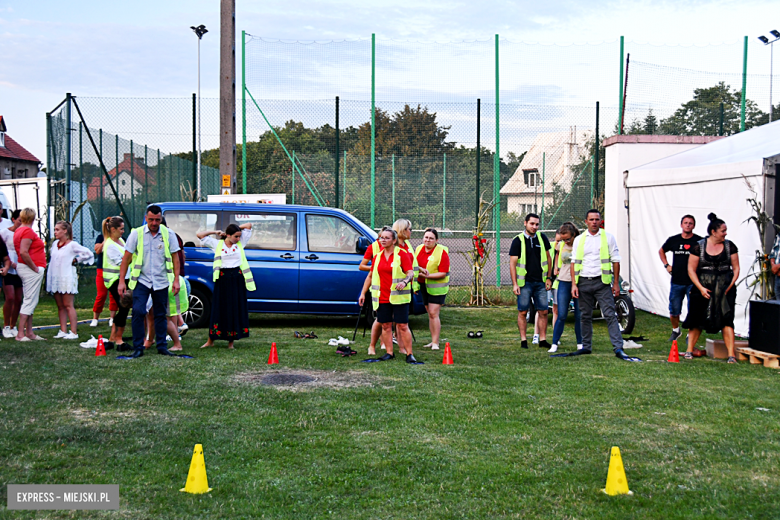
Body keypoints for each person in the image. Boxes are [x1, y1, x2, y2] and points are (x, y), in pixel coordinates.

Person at [570, 209, 635, 361]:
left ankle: (618, 348)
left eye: (597, 219)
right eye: (591, 219)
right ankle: (586, 346)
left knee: (610, 314)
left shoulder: (608, 238)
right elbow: (574, 263)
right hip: (583, 282)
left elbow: (616, 260)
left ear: (601, 221)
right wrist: (574, 284)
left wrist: (616, 283)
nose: (594, 222)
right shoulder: (579, 239)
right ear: (586, 222)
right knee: (585, 316)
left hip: (602, 282)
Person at [118, 205, 181, 358]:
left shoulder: (168, 234)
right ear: (146, 218)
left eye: (157, 220)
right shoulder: (136, 234)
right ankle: (138, 347)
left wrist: (176, 280)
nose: (154, 223)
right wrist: (121, 281)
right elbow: (126, 258)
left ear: (161, 219)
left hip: (161, 280)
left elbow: (175, 258)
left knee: (160, 314)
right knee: (138, 311)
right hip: (142, 280)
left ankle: (162, 347)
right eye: (151, 219)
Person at [358, 227, 421, 363]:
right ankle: (389, 352)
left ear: (394, 241)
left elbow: (410, 272)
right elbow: (370, 275)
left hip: (399, 297)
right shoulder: (378, 256)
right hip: (382, 296)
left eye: (387, 238)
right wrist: (363, 293)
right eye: (382, 237)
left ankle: (409, 354)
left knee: (402, 325)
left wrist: (405, 282)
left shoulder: (402, 254)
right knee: (385, 325)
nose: (383, 240)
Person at [684, 213, 740, 363]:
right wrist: (701, 288)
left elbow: (736, 268)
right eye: (723, 230)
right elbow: (691, 269)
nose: (725, 233)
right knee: (696, 319)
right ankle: (689, 350)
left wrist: (730, 285)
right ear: (713, 232)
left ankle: (731, 355)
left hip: (724, 288)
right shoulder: (698, 247)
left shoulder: (730, 246)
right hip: (703, 288)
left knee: (727, 320)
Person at [196, 222, 254, 349]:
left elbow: (249, 225)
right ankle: (211, 340)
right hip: (222, 278)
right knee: (219, 308)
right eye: (235, 236)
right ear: (228, 235)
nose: (238, 239)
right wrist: (216, 232)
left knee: (234, 308)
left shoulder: (240, 243)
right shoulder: (218, 244)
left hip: (236, 278)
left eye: (239, 236)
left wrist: (236, 228)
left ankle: (230, 342)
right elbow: (199, 235)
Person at [509, 213, 552, 350]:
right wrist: (515, 284)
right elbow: (512, 264)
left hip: (541, 282)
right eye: (532, 224)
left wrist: (549, 278)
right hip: (524, 283)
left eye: (537, 224)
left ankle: (543, 339)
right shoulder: (518, 240)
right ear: (525, 223)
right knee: (523, 311)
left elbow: (549, 258)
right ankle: (523, 340)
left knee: (544, 311)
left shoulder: (542, 238)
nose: (534, 227)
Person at [47, 221, 95, 339]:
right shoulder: (55, 244)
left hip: (66, 277)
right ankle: (63, 330)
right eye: (55, 229)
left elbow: (88, 253)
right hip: (56, 277)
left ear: (65, 231)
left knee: (68, 305)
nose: (55, 232)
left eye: (58, 229)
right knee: (60, 306)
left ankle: (73, 332)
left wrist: (76, 260)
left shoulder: (72, 245)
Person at [659, 215, 702, 342]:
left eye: (690, 223)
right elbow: (661, 251)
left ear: (693, 226)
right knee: (674, 309)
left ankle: (690, 334)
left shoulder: (699, 241)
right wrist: (667, 265)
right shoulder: (674, 240)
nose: (688, 225)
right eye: (685, 223)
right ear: (681, 224)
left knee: (692, 309)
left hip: (693, 282)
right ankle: (676, 330)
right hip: (677, 281)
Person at [548, 222, 583, 353]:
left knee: (579, 315)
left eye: (568, 239)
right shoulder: (561, 245)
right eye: (563, 239)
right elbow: (557, 257)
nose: (566, 241)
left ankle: (580, 343)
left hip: (578, 281)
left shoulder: (580, 244)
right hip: (563, 281)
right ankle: (554, 343)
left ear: (574, 235)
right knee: (561, 314)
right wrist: (556, 267)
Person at [14, 208, 47, 341]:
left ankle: (29, 332)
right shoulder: (27, 231)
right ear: (33, 218)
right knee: (29, 301)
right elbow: (23, 252)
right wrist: (35, 268)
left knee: (31, 299)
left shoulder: (19, 230)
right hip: (30, 269)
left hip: (27, 268)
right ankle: (21, 333)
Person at [101, 216, 132, 351]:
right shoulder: (109, 245)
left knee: (124, 307)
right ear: (112, 229)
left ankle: (113, 338)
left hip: (123, 278)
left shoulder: (120, 241)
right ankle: (118, 339)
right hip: (114, 280)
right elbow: (123, 262)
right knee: (124, 306)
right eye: (121, 229)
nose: (122, 232)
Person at [415, 228, 449, 351]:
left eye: (431, 238)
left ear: (436, 240)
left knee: (434, 313)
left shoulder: (441, 252)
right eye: (426, 237)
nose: (428, 240)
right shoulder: (418, 249)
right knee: (430, 314)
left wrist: (427, 275)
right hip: (423, 285)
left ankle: (435, 342)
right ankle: (433, 339)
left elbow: (443, 273)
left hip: (437, 288)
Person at [1, 209, 23, 338]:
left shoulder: (24, 234)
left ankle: (13, 326)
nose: (21, 223)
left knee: (18, 299)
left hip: (21, 269)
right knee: (9, 297)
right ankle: (6, 326)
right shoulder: (4, 233)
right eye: (19, 221)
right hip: (8, 269)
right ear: (13, 220)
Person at [90, 232, 118, 328]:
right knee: (101, 295)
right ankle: (95, 318)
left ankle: (112, 318)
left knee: (113, 295)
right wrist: (105, 241)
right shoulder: (100, 237)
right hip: (101, 269)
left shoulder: (120, 239)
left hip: (114, 270)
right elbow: (97, 250)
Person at [769, 230, 780, 301]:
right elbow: (772, 254)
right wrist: (773, 265)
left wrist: (778, 266)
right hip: (778, 277)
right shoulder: (778, 235)